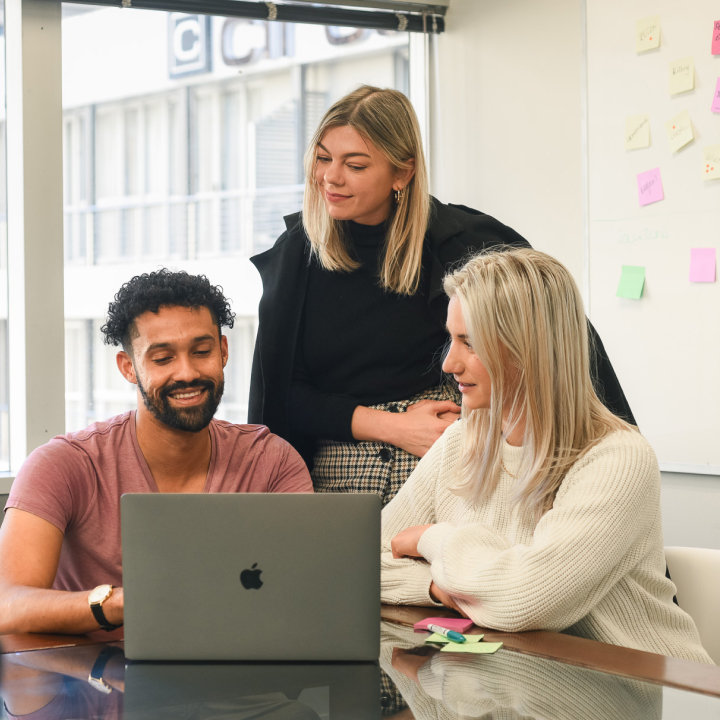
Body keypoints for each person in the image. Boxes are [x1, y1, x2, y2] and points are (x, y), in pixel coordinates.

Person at [249, 85, 633, 507]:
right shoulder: (295, 259)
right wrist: (391, 426)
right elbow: (281, 395)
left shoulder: (468, 244)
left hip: (457, 461)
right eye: (323, 158)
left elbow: (553, 348)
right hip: (339, 475)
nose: (331, 177)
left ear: (402, 173)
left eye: (354, 165)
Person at [381, 249, 711, 664]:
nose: (449, 362)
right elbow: (357, 561)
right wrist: (435, 588)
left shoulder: (617, 459)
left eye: (470, 343)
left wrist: (433, 540)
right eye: (451, 338)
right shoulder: (461, 442)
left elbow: (529, 601)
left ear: (529, 349)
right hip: (528, 679)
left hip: (645, 689)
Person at [0, 270, 312, 636]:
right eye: (162, 359)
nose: (187, 373)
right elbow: (8, 604)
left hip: (238, 680)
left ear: (223, 351)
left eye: (202, 351)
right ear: (128, 367)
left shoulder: (271, 460)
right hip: (93, 681)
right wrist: (120, 603)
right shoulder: (63, 464)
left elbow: (306, 594)